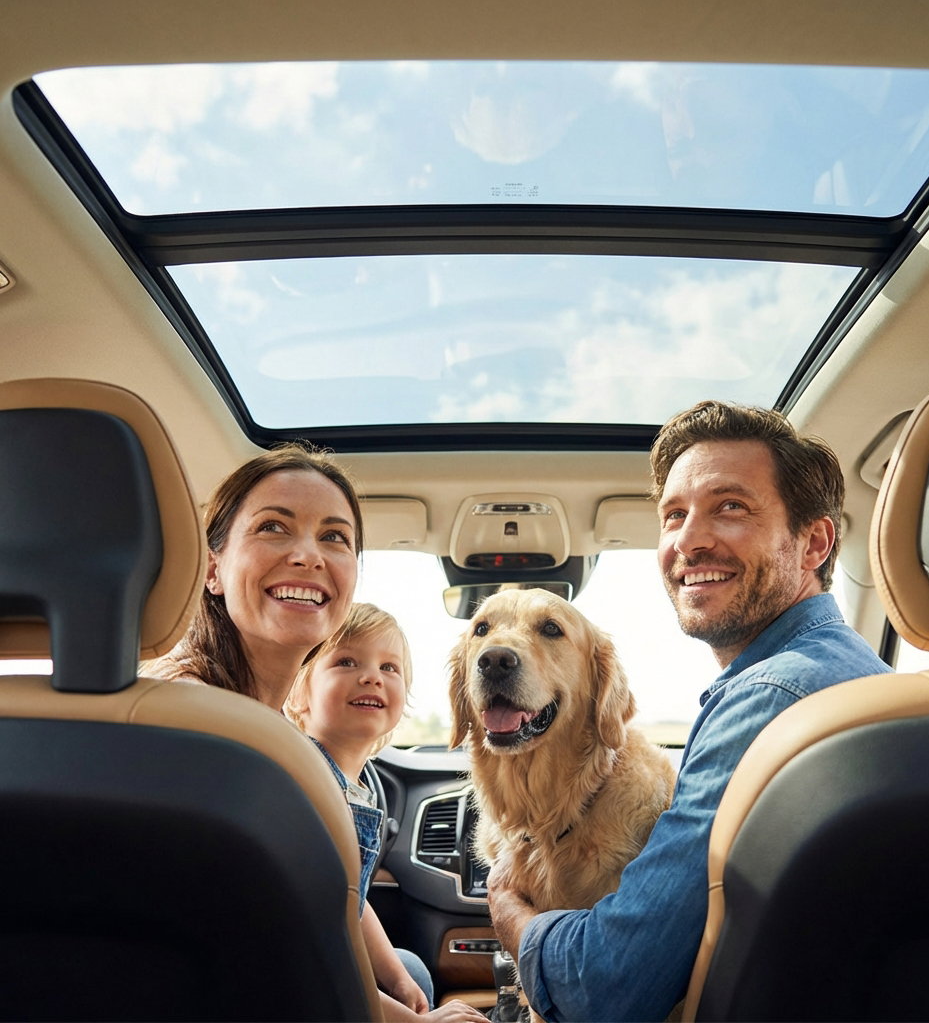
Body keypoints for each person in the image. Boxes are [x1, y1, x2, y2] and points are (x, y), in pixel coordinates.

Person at [487, 399, 893, 1022]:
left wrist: (511, 913)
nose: (689, 540)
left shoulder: (771, 701)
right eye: (674, 515)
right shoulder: (861, 676)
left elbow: (607, 988)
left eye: (731, 507)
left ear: (813, 542)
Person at [285, 603, 489, 1023]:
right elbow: (320, 953)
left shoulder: (354, 787)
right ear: (298, 695)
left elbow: (351, 903)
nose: (372, 677)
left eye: (390, 668)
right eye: (346, 662)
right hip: (302, 976)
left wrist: (395, 977)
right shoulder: (305, 789)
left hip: (321, 963)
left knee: (411, 971)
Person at [144, 441, 363, 711]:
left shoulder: (251, 719)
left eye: (334, 536)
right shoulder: (183, 711)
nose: (309, 556)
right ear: (212, 570)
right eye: (272, 527)